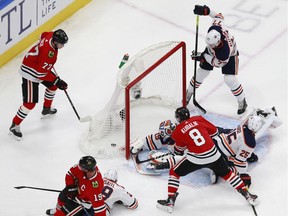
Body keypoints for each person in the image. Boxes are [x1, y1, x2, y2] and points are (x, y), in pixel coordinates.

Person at [156, 107, 258, 213]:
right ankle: (247, 195)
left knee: (174, 172)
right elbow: (214, 132)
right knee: (228, 174)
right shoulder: (198, 119)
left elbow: (179, 151)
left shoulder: (177, 131)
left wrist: (180, 146)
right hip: (214, 154)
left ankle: (170, 201)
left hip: (197, 159)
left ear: (177, 118)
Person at [186, 5, 247, 115]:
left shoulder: (224, 52)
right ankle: (188, 93)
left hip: (231, 55)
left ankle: (242, 100)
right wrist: (207, 11)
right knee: (201, 73)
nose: (211, 46)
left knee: (230, 79)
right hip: (212, 55)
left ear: (218, 41)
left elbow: (217, 63)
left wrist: (203, 57)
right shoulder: (215, 28)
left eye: (213, 45)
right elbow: (219, 16)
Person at [9, 29, 69, 140]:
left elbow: (43, 34)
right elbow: (40, 74)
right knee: (29, 104)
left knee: (52, 86)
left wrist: (55, 81)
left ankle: (46, 109)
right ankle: (14, 125)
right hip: (30, 72)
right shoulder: (48, 53)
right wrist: (57, 80)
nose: (62, 46)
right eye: (61, 44)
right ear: (55, 42)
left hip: (38, 66)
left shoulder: (51, 35)